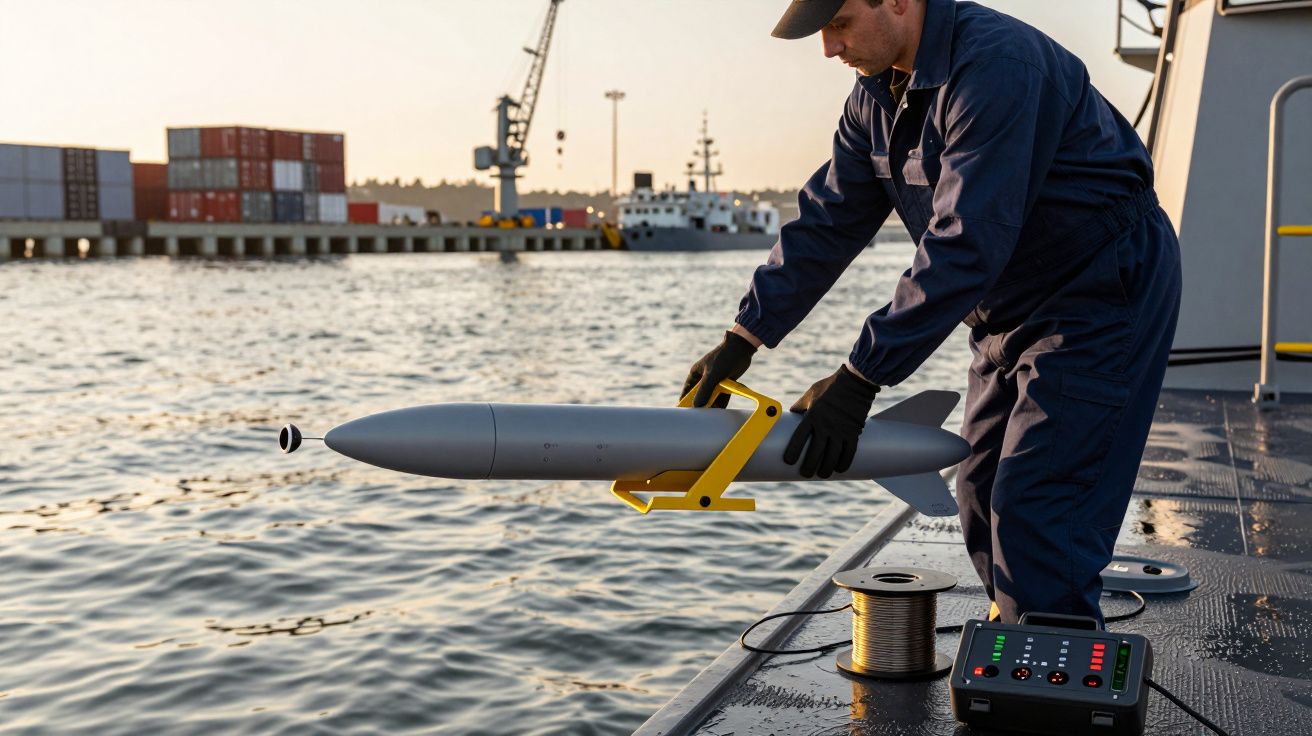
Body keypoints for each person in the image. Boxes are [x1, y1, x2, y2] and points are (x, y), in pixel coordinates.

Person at [681, 0, 1182, 626]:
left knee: (1039, 500)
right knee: (978, 491)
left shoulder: (996, 66)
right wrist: (745, 335)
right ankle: (1021, 640)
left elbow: (967, 240)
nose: (829, 50)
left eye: (837, 25)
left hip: (1097, 291)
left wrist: (861, 378)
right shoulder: (875, 98)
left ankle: (1052, 675)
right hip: (1004, 307)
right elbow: (828, 220)